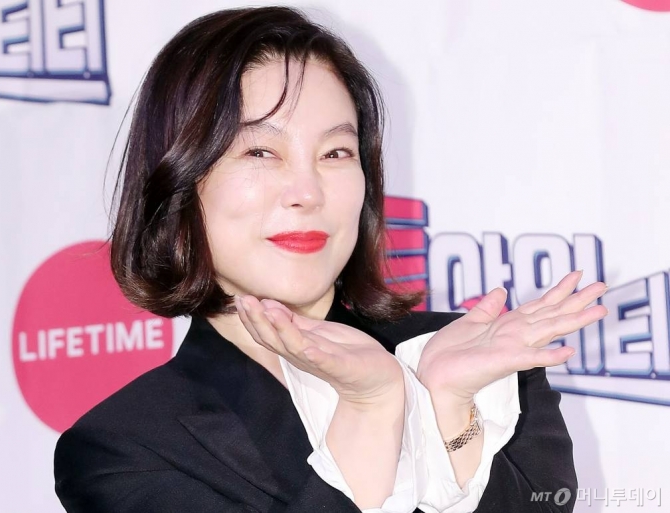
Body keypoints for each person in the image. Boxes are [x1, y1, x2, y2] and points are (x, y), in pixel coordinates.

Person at [53, 6, 607, 513]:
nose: (307, 192)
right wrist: (371, 410)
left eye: (336, 152)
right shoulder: (125, 447)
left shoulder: (483, 363)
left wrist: (445, 412)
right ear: (179, 182)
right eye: (260, 151)